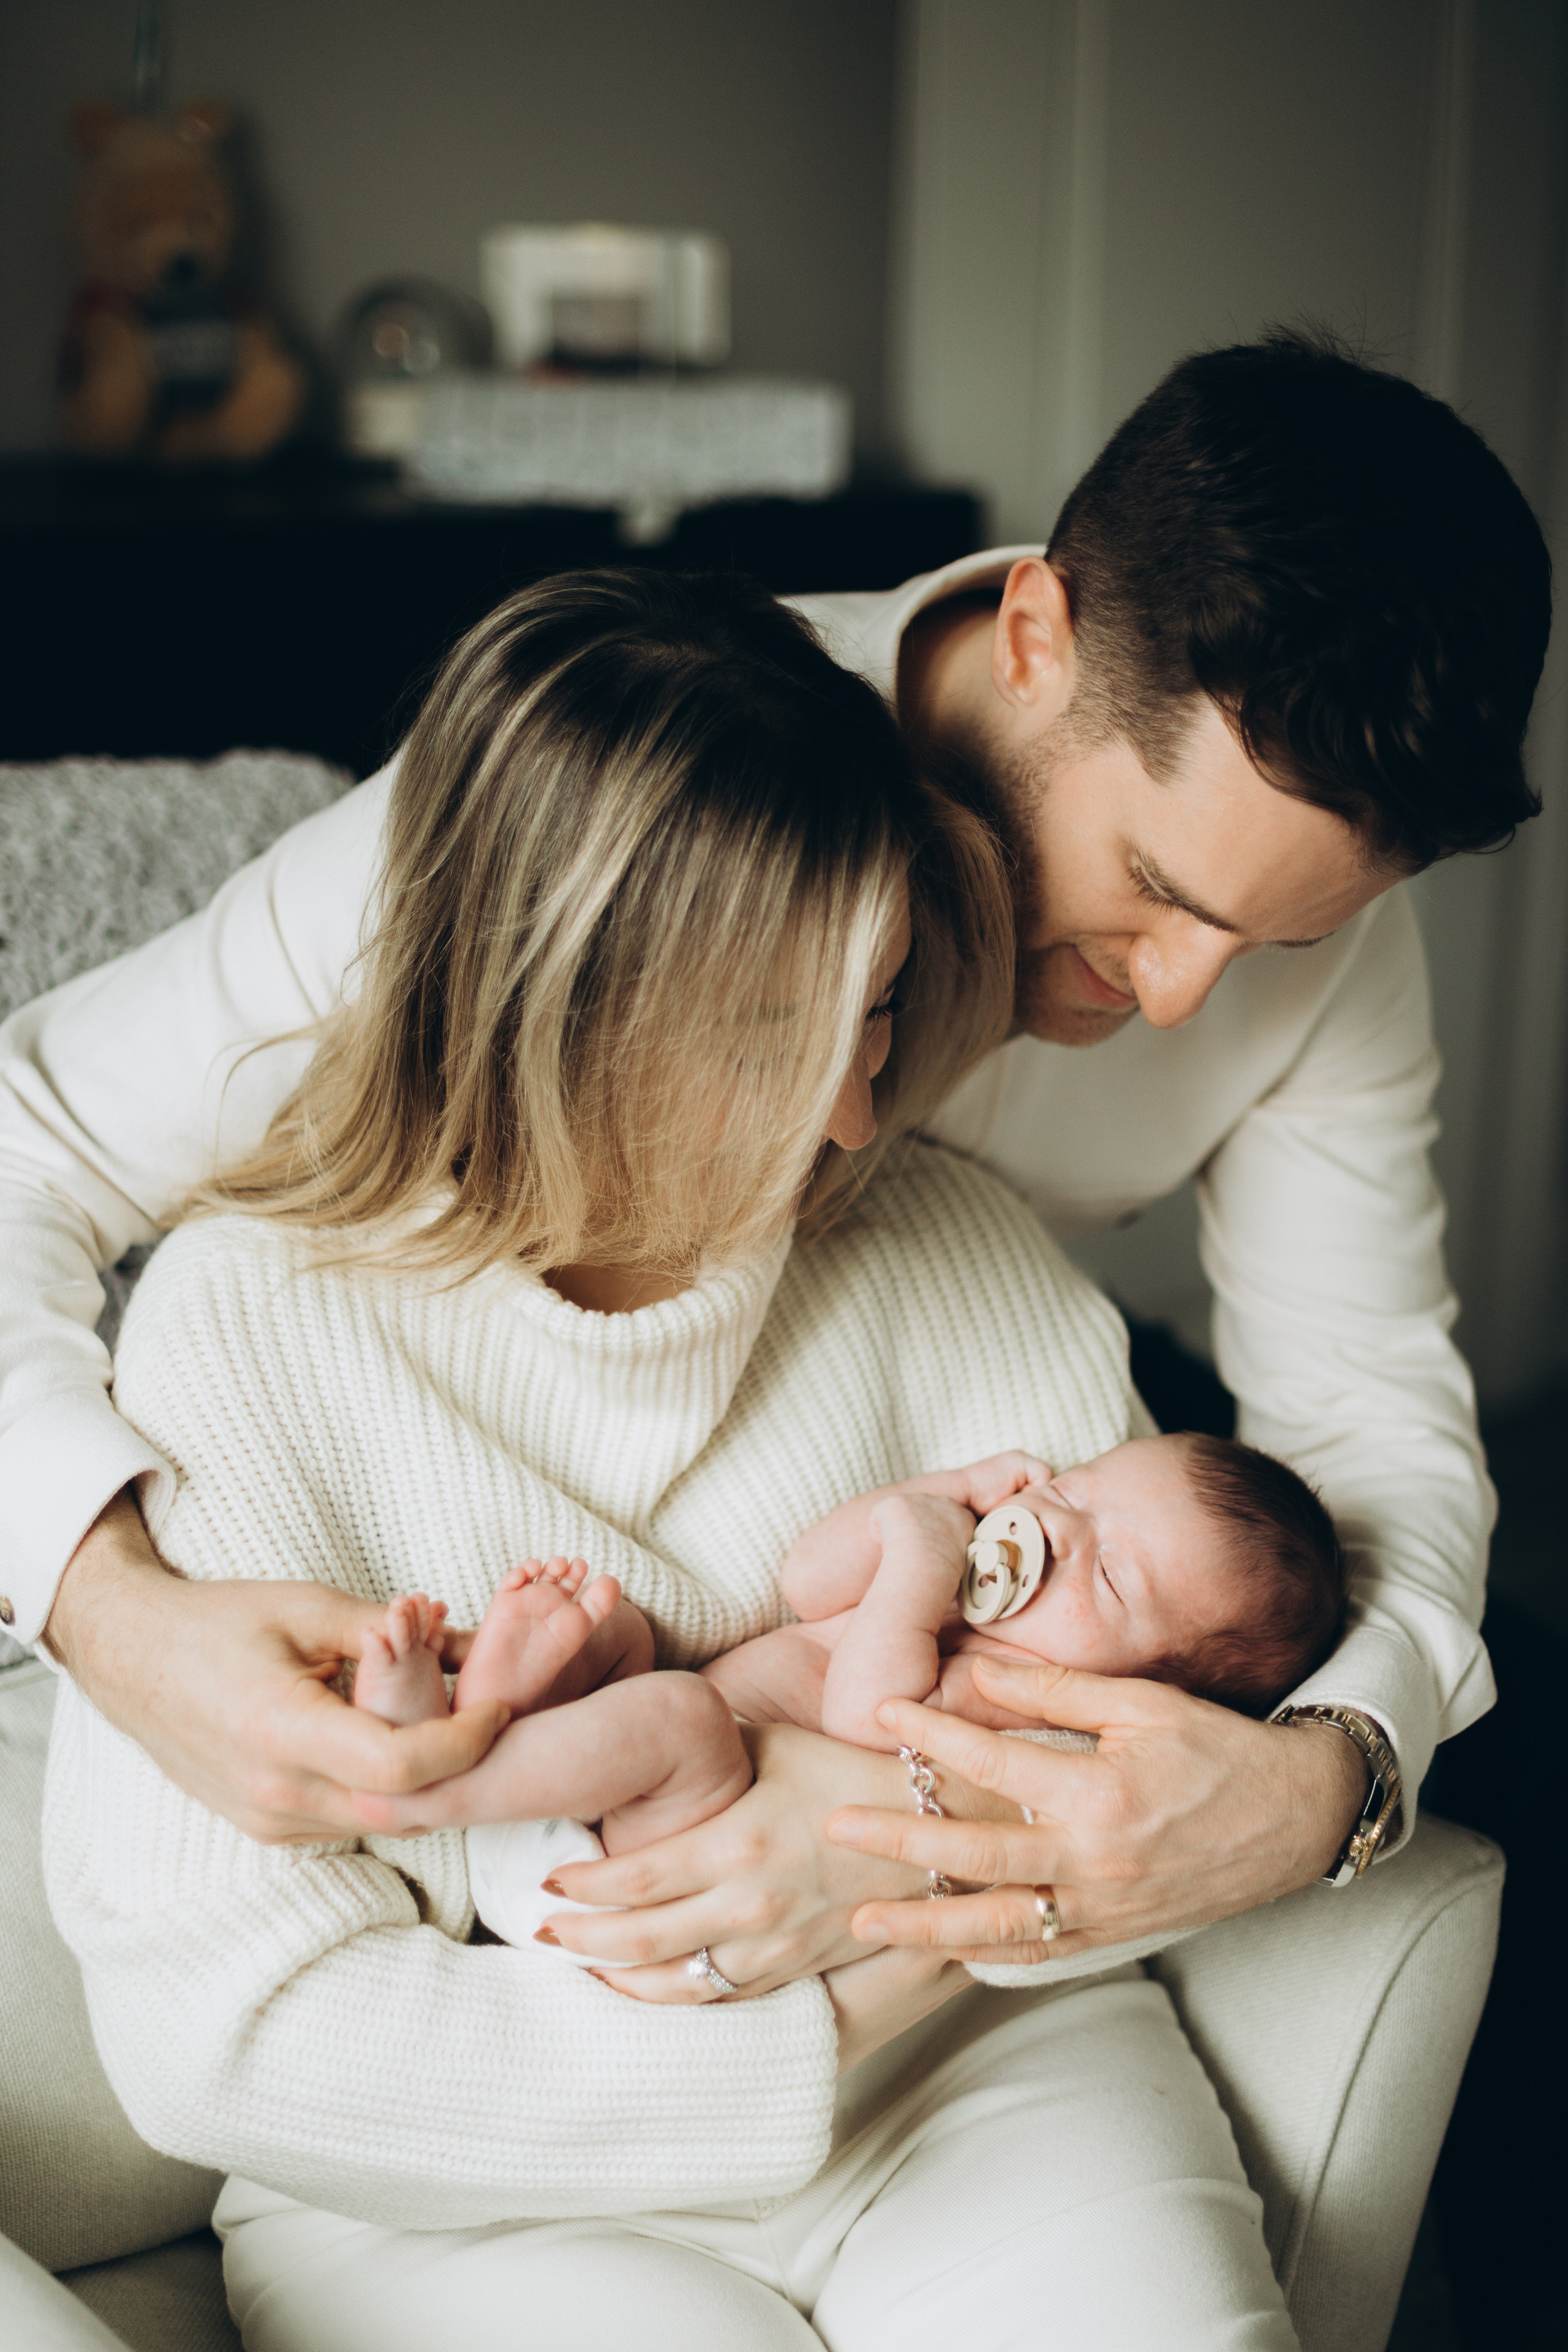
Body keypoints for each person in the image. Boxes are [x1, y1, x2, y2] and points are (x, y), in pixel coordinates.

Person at [1, 326, 1548, 1958]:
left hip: (996, 1417)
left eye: (1273, 943)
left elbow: (1369, 1419)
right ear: (1037, 634)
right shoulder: (630, 784)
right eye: (1160, 893)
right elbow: (26, 1142)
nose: (1182, 1004)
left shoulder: (1319, 947)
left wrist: (1324, 1785)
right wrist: (112, 1617)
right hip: (522, 1485)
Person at [43, 569, 1302, 2347]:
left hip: (985, 2081)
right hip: (464, 2179)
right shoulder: (245, 1332)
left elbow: (1176, 1761)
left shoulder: (945, 1251)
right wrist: (798, 2017)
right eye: (785, 1040)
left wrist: (885, 1886)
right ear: (564, 1005)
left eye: (875, 1013)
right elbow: (222, 2039)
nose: (860, 1112)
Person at [343, 1433, 1344, 1963]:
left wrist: (917, 1562)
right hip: (602, 1801)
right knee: (623, 1639)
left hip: (649, 1875)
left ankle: (434, 1781)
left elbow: (864, 1719)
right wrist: (935, 1498)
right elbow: (808, 1578)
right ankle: (484, 1710)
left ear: (1138, 1692)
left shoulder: (1015, 1697)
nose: (1059, 1532)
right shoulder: (952, 1574)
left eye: (1113, 1582)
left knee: (682, 1715)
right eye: (1076, 1490)